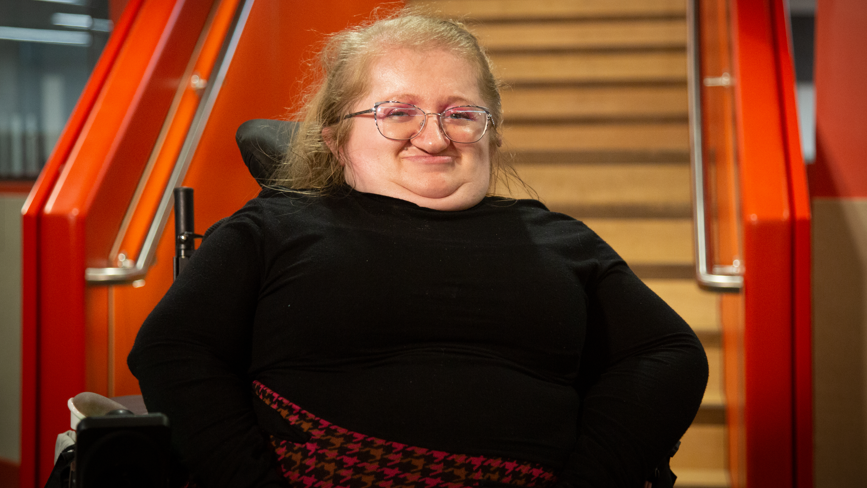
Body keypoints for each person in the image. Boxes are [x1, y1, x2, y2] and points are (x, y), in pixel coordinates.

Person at [128, 10, 708, 488]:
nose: (433, 137)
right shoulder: (275, 226)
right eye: (396, 111)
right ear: (335, 139)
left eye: (460, 114)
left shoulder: (560, 241)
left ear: (492, 134)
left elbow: (670, 353)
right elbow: (172, 349)